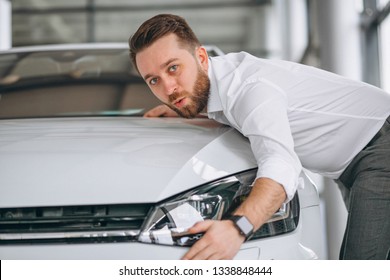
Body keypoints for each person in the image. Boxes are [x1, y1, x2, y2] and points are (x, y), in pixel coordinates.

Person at [129, 14, 390, 260]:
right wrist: (184, 108)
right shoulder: (219, 88)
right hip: (354, 161)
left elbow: (281, 165)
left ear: (201, 56)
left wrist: (236, 228)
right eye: (153, 81)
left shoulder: (249, 89)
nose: (168, 88)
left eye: (173, 68)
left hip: (381, 144)